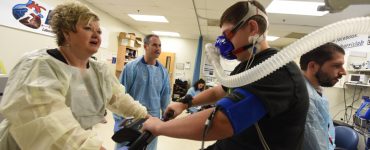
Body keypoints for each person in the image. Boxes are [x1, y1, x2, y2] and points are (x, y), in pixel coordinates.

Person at [143, 1, 309, 150]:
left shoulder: (277, 71)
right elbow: (219, 91)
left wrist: (160, 128)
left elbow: (221, 122)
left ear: (252, 28)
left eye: (228, 34)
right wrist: (185, 103)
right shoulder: (248, 66)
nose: (223, 43)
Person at [0, 2, 149, 150]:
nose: (96, 34)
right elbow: (47, 122)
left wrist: (144, 116)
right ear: (66, 33)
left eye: (99, 31)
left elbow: (118, 98)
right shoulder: (37, 66)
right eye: (88, 28)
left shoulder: (99, 70)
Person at [113, 34, 171, 150]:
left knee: (148, 146)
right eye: (154, 45)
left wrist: (166, 115)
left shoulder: (163, 72)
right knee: (128, 146)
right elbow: (119, 95)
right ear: (145, 46)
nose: (158, 48)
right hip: (132, 118)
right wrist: (119, 122)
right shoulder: (131, 68)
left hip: (153, 118)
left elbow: (165, 96)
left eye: (159, 45)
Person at [299, 42, 346, 150]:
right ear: (313, 66)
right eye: (337, 65)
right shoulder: (305, 98)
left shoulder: (315, 92)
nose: (344, 72)